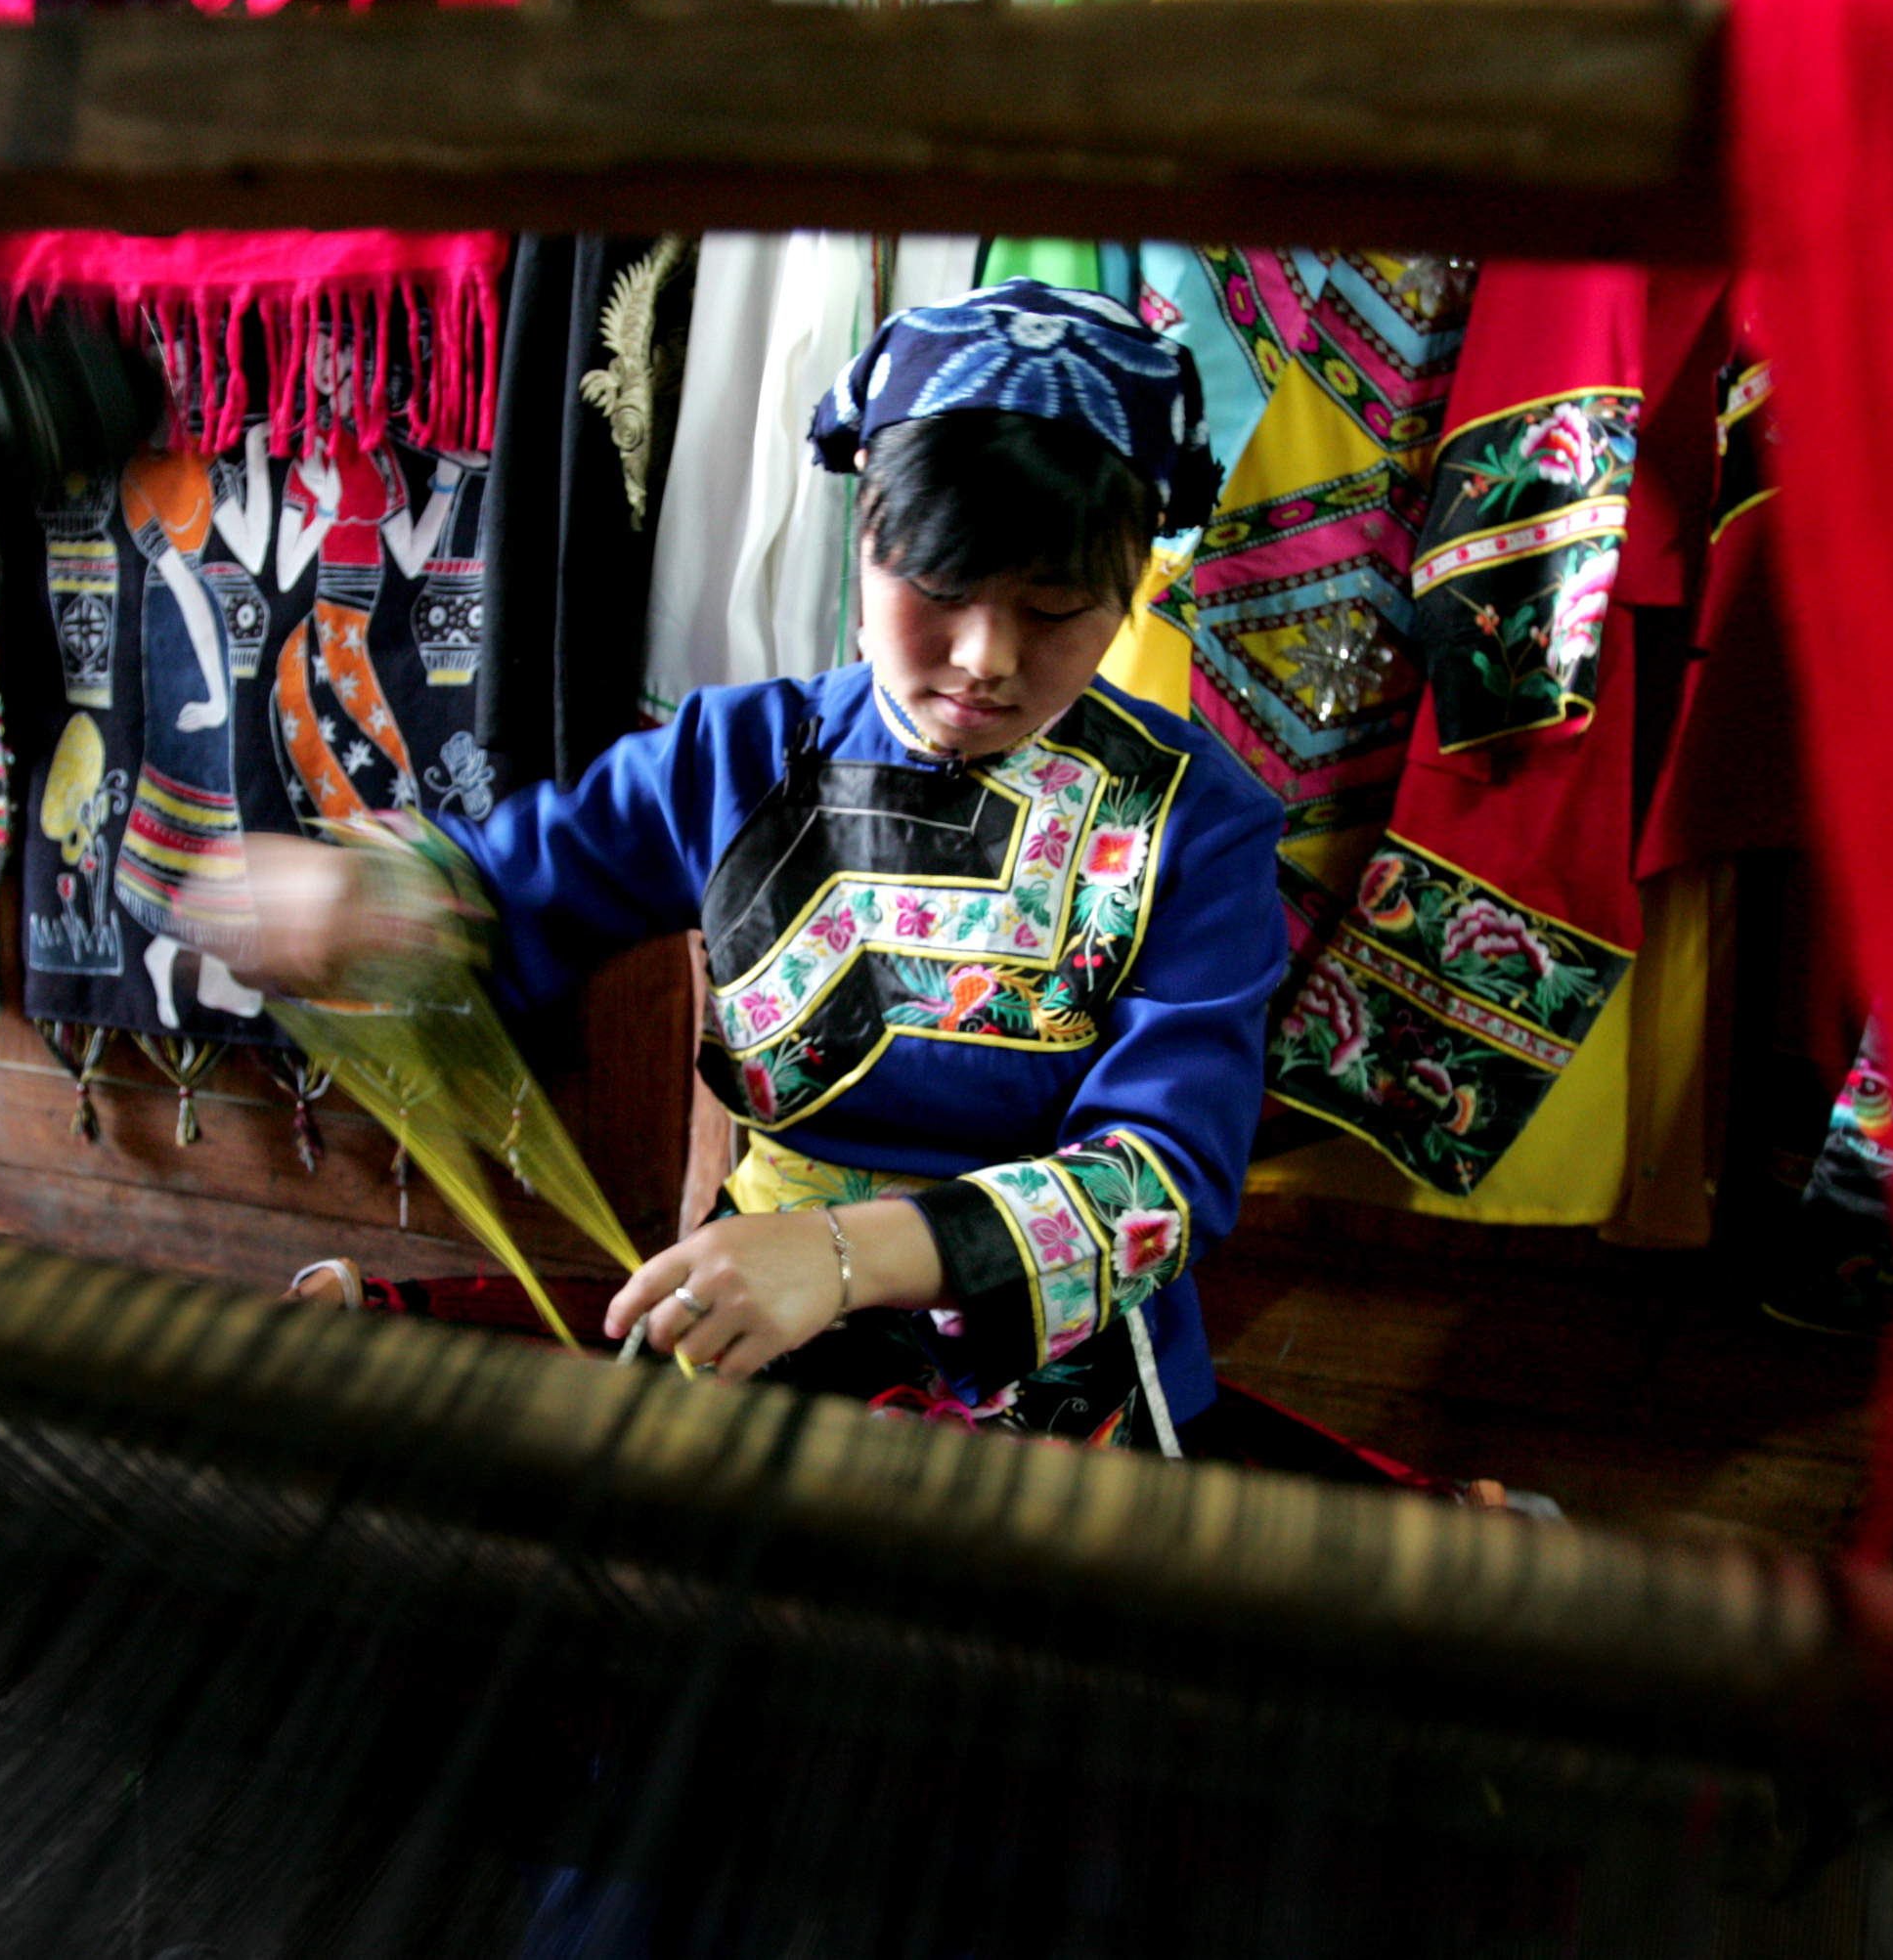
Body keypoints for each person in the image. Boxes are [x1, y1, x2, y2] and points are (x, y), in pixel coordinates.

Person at [194, 282, 1274, 1450]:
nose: (984, 656)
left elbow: (1157, 1179)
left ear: (1128, 583)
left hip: (1054, 1389)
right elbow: (516, 886)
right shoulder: (736, 754)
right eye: (942, 588)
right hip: (751, 1326)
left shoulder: (1192, 822)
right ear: (866, 531)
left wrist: (843, 1256)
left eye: (1054, 608)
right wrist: (371, 903)